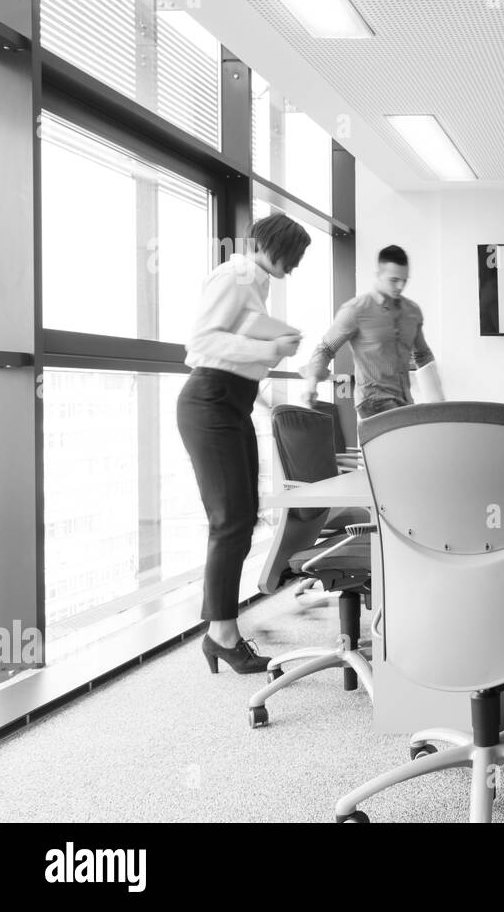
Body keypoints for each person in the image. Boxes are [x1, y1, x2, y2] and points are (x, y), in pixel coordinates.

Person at [178, 213, 311, 675]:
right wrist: (270, 350)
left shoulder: (255, 282)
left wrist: (275, 344)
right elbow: (200, 341)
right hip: (209, 400)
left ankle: (221, 629)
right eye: (292, 257)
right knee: (229, 521)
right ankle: (221, 635)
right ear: (272, 245)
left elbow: (240, 337)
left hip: (231, 402)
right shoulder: (235, 274)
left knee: (242, 517)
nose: (292, 268)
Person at [300, 245, 444, 419]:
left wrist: (439, 405)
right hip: (373, 401)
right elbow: (326, 349)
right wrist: (311, 385)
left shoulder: (412, 312)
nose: (400, 286)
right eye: (394, 280)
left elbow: (423, 355)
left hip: (404, 401)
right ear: (378, 275)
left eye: (404, 280)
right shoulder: (356, 310)